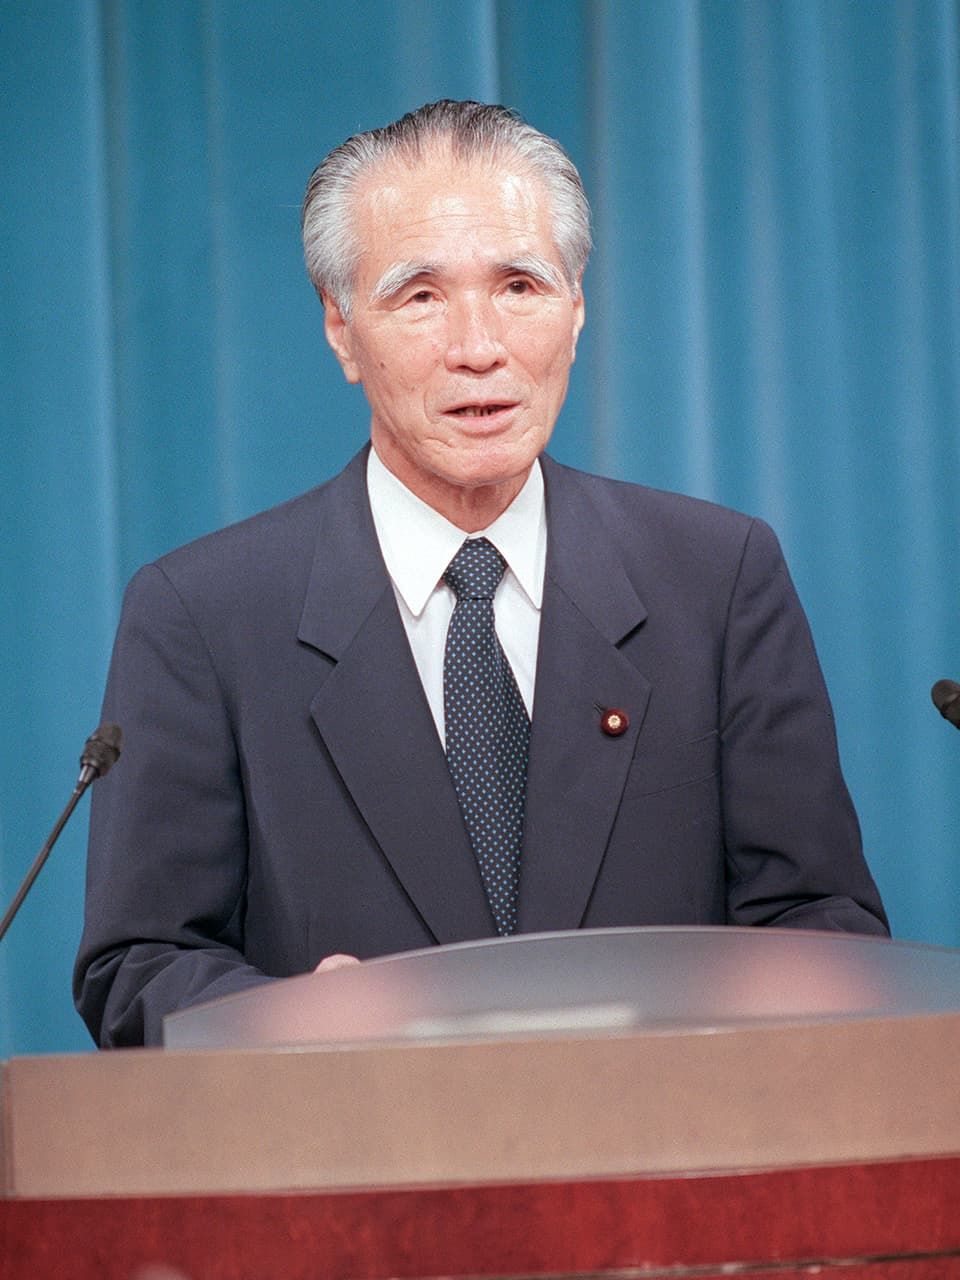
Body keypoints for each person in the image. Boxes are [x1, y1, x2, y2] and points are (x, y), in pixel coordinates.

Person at [74, 100, 888, 1048]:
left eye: (520, 286)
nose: (478, 347)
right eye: (419, 296)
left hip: (655, 1167)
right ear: (341, 328)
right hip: (356, 1170)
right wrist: (278, 1021)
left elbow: (823, 926)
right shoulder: (205, 615)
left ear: (578, 307)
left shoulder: (717, 579)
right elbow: (138, 963)